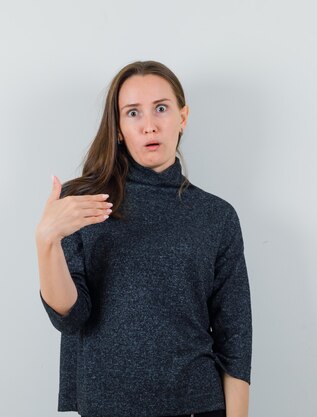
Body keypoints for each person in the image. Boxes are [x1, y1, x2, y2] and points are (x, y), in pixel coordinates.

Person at [35, 60, 252, 417]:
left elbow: (236, 336)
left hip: (198, 406)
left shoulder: (216, 216)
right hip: (108, 406)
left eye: (161, 109)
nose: (150, 125)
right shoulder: (81, 206)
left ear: (182, 118)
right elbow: (71, 318)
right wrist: (46, 242)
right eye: (133, 113)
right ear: (119, 128)